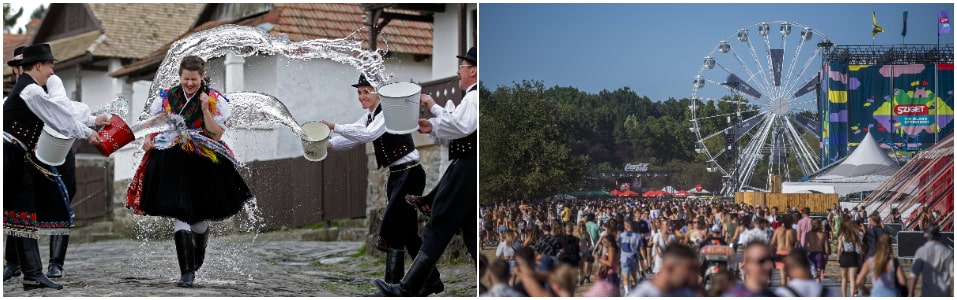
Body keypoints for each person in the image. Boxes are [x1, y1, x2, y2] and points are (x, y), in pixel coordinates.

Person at [125, 55, 252, 288]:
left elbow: (216, 134)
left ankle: (200, 246)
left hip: (203, 159)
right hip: (172, 159)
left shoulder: (214, 100)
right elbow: (157, 124)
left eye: (194, 79)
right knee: (180, 211)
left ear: (201, 77)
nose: (189, 83)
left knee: (198, 217)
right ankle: (187, 273)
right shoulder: (167, 97)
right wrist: (150, 139)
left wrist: (205, 109)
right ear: (180, 77)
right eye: (186, 79)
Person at [374, 47, 477, 296]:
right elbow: (455, 123)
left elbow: (460, 125)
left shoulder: (475, 98)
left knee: (439, 223)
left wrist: (432, 121)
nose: (458, 72)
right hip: (467, 167)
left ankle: (409, 288)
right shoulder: (472, 98)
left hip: (467, 167)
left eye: (461, 67)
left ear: (473, 70)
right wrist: (432, 115)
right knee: (473, 231)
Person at [323, 74, 439, 294]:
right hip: (397, 175)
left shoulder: (387, 111)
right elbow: (353, 137)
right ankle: (432, 280)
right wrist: (328, 145)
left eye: (366, 91)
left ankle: (392, 286)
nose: (362, 96)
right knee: (408, 233)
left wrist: (335, 126)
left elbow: (368, 134)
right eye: (359, 92)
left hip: (410, 173)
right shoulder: (369, 116)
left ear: (378, 92)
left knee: (393, 226)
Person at [4, 44, 106, 290]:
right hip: (8, 153)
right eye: (50, 65)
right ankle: (32, 273)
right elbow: (57, 117)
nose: (52, 71)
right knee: (22, 210)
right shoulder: (31, 91)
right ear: (38, 65)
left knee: (22, 211)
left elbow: (61, 112)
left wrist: (88, 124)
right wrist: (88, 133)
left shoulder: (31, 89)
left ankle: (31, 273)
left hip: (15, 154)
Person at [628, 244, 698, 297]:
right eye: (689, 269)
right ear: (670, 267)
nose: (693, 275)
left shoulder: (686, 292)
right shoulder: (643, 295)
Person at [908, 225, 954, 297]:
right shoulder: (947, 252)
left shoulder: (921, 251)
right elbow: (953, 275)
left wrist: (911, 293)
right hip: (944, 292)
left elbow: (914, 274)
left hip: (927, 292)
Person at [837, 219, 863, 297]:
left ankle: (844, 296)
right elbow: (859, 249)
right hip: (853, 256)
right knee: (852, 279)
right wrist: (860, 258)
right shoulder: (855, 235)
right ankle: (852, 296)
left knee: (844, 278)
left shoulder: (842, 235)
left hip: (845, 255)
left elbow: (839, 248)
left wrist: (838, 257)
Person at [770, 213, 797, 286]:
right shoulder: (793, 231)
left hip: (780, 252)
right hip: (790, 253)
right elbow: (796, 242)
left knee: (782, 275)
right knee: (789, 275)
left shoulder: (778, 230)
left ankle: (783, 293)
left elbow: (772, 243)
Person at [618, 220, 641, 293]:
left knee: (626, 276)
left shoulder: (621, 235)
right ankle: (632, 292)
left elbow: (618, 246)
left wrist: (617, 257)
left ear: (626, 226)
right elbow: (641, 247)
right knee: (634, 277)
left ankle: (627, 292)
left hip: (625, 258)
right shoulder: (637, 235)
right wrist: (645, 259)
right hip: (633, 258)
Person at [806, 219, 830, 283]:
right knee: (818, 274)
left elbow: (805, 246)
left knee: (811, 273)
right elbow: (826, 247)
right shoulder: (823, 234)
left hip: (811, 253)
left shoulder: (808, 234)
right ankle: (817, 287)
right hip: (820, 254)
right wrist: (827, 257)